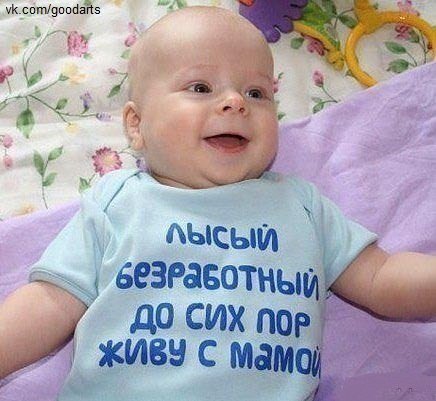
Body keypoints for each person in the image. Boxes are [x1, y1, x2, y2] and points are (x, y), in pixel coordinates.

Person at [0, 6, 435, 401]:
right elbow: (50, 301)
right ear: (137, 125)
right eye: (201, 87)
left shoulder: (299, 205)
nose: (235, 102)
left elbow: (379, 277)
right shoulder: (117, 201)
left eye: (257, 93)